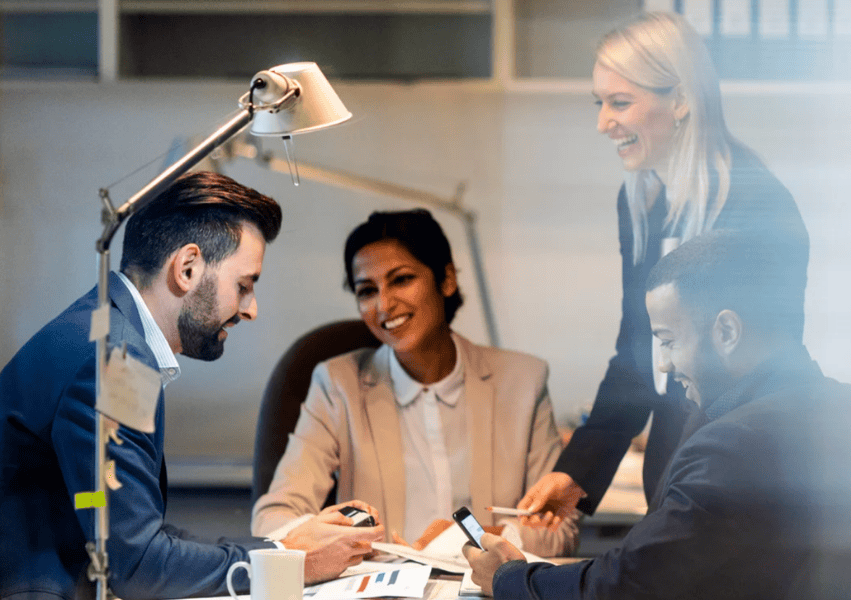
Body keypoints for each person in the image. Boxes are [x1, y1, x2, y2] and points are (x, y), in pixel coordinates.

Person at [466, 231, 851, 599]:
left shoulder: (732, 447)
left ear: (726, 330)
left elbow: (626, 586)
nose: (665, 365)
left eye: (668, 340)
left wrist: (508, 578)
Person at [0, 172, 384, 600]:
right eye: (244, 285)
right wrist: (291, 560)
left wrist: (283, 550)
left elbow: (139, 538)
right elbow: (139, 565)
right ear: (186, 268)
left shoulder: (106, 332)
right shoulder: (117, 362)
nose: (250, 309)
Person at [519, 11, 808, 525]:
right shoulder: (644, 203)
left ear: (679, 101)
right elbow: (637, 354)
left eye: (620, 102)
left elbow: (761, 376)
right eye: (600, 103)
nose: (603, 122)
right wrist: (577, 473)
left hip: (739, 485)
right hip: (675, 482)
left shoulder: (757, 204)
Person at [251, 209, 578, 557]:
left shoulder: (523, 382)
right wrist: (327, 537)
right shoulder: (337, 386)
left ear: (447, 279)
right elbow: (273, 518)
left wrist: (464, 538)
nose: (385, 305)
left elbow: (561, 530)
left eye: (402, 279)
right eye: (367, 290)